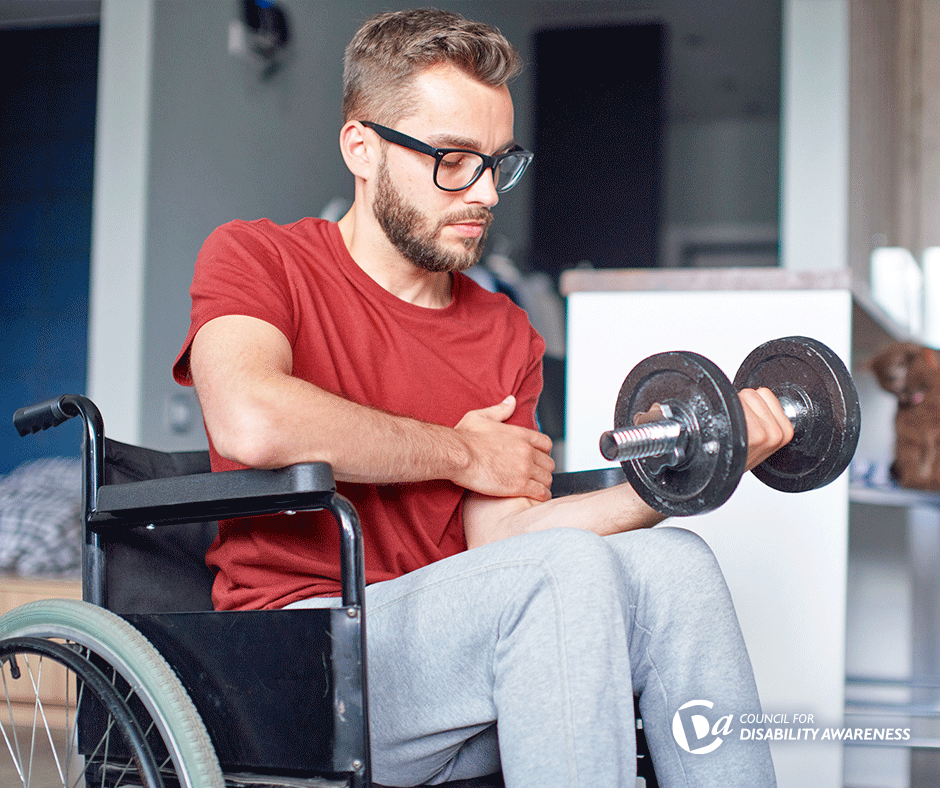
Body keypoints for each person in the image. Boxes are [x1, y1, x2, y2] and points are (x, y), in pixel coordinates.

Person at [173, 8, 791, 787]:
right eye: (454, 161)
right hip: (303, 653)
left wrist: (700, 467)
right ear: (361, 148)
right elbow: (252, 418)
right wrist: (463, 449)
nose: (486, 192)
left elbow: (507, 535)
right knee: (562, 572)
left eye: (500, 162)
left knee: (675, 562)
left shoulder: (503, 329)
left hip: (460, 650)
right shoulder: (258, 257)